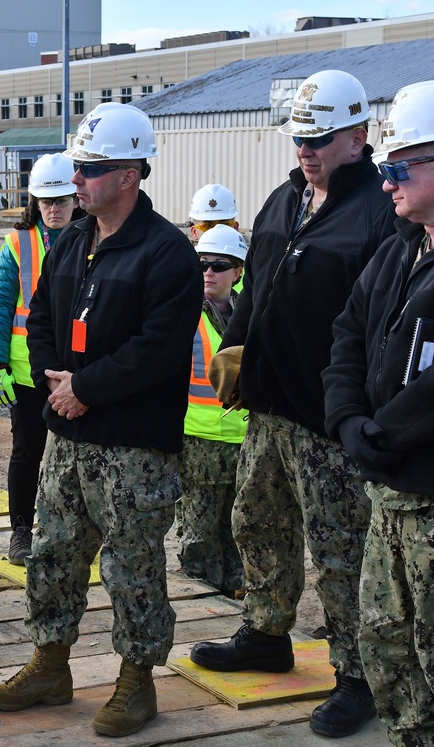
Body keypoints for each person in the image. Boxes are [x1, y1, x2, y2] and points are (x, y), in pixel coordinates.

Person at [0, 102, 202, 738]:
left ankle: (137, 682)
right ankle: (50, 664)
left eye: (90, 170)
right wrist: (56, 382)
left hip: (133, 443)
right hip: (70, 435)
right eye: (77, 169)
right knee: (52, 553)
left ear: (131, 174)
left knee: (132, 565)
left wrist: (87, 388)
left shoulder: (166, 254)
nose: (76, 182)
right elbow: (42, 315)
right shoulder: (74, 240)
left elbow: (159, 348)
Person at [189, 69, 396, 738]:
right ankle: (266, 632)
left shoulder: (378, 214)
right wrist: (238, 347)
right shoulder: (283, 200)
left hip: (329, 419)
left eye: (323, 138)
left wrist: (356, 409)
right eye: (301, 137)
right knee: (258, 521)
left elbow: (376, 320)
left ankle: (358, 675)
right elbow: (258, 288)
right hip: (269, 407)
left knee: (341, 551)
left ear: (360, 136)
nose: (307, 149)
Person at [323, 79, 434, 747]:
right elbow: (346, 335)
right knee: (388, 650)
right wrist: (349, 423)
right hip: (390, 497)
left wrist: (384, 433)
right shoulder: (402, 249)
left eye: (398, 169)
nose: (386, 185)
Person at [0, 152, 83, 565]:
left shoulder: (95, 238)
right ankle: (21, 533)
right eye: (46, 201)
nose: (54, 208)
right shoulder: (18, 243)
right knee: (27, 453)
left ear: (76, 198)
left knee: (77, 459)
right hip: (27, 375)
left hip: (77, 374)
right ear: (35, 202)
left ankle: (70, 532)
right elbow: (2, 304)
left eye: (61, 200)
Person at [176, 218, 248, 596]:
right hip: (197, 439)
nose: (208, 273)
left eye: (219, 265)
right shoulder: (183, 312)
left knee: (237, 524)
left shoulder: (249, 315)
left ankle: (235, 592)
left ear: (237, 271)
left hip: (242, 439)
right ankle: (200, 595)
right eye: (202, 264)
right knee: (198, 528)